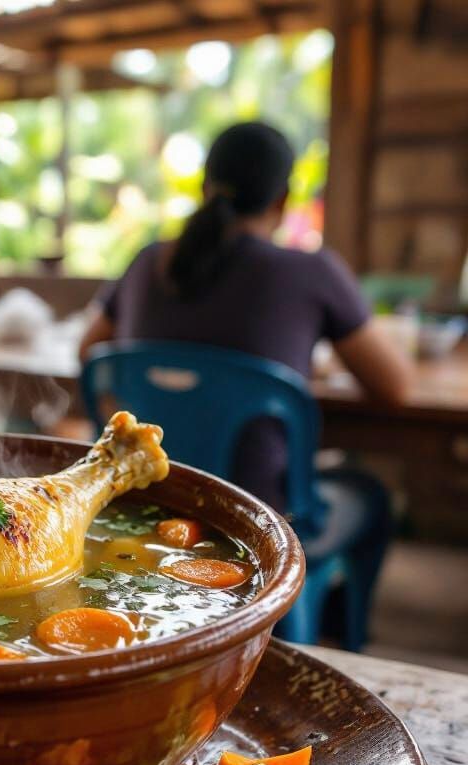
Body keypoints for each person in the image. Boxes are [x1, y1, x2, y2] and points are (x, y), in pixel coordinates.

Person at [79, 120, 412, 510]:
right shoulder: (312, 271)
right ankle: (308, 571)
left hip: (144, 498)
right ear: (282, 200)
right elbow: (395, 386)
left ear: (205, 189)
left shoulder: (149, 260)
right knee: (367, 493)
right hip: (256, 516)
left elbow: (89, 350)